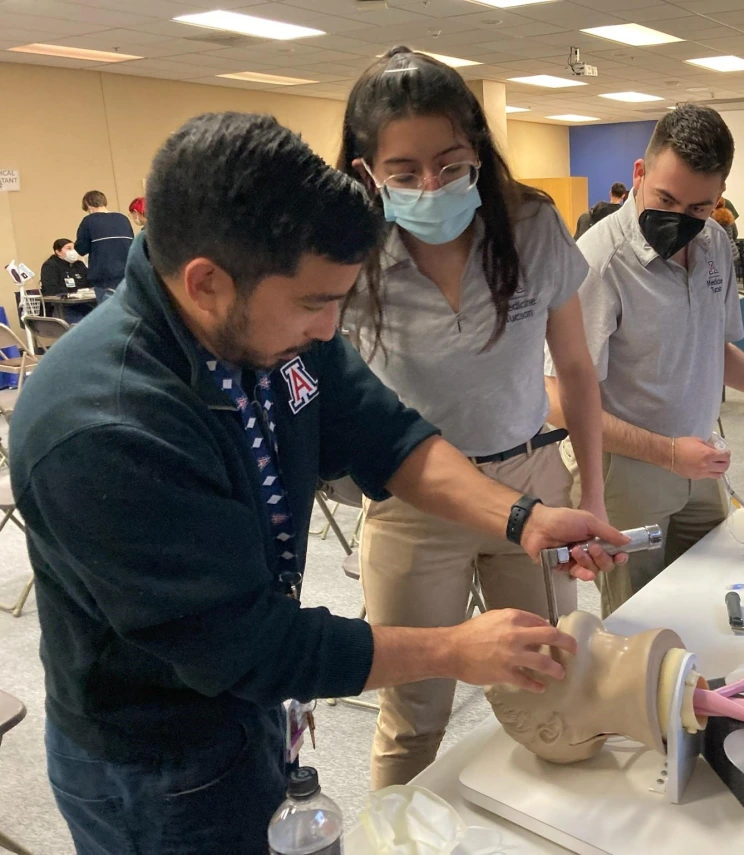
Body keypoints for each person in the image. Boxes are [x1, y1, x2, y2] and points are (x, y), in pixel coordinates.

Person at [11, 112, 624, 855]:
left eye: (341, 298)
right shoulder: (107, 427)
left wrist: (521, 515)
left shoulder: (270, 325)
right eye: (315, 303)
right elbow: (250, 649)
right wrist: (454, 648)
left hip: (244, 706)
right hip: (156, 757)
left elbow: (386, 435)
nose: (333, 327)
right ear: (206, 282)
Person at [337, 47, 607, 789]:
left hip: (532, 480)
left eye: (451, 164)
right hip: (413, 503)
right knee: (416, 711)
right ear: (367, 173)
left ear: (479, 155)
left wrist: (593, 495)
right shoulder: (349, 255)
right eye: (404, 172)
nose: (431, 185)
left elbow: (577, 370)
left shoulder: (529, 226)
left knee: (552, 679)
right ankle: (392, 837)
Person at [544, 105, 744, 617]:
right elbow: (556, 400)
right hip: (627, 470)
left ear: (720, 197)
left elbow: (714, 349)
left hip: (701, 458)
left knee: (711, 597)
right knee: (640, 620)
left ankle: (705, 698)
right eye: (666, 199)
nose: (680, 219)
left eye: (699, 208)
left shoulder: (713, 245)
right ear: (639, 174)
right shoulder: (598, 262)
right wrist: (667, 453)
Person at [74, 189, 133, 304]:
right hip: (126, 274)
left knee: (108, 313)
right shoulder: (123, 219)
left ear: (88, 205)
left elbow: (81, 249)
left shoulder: (89, 221)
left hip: (103, 277)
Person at [39, 238, 92, 324]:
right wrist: (75, 291)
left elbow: (89, 282)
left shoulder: (79, 265)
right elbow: (51, 289)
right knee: (86, 324)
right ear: (58, 252)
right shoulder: (50, 266)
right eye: (69, 248)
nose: (73, 251)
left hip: (82, 304)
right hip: (60, 307)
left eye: (74, 248)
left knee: (102, 319)